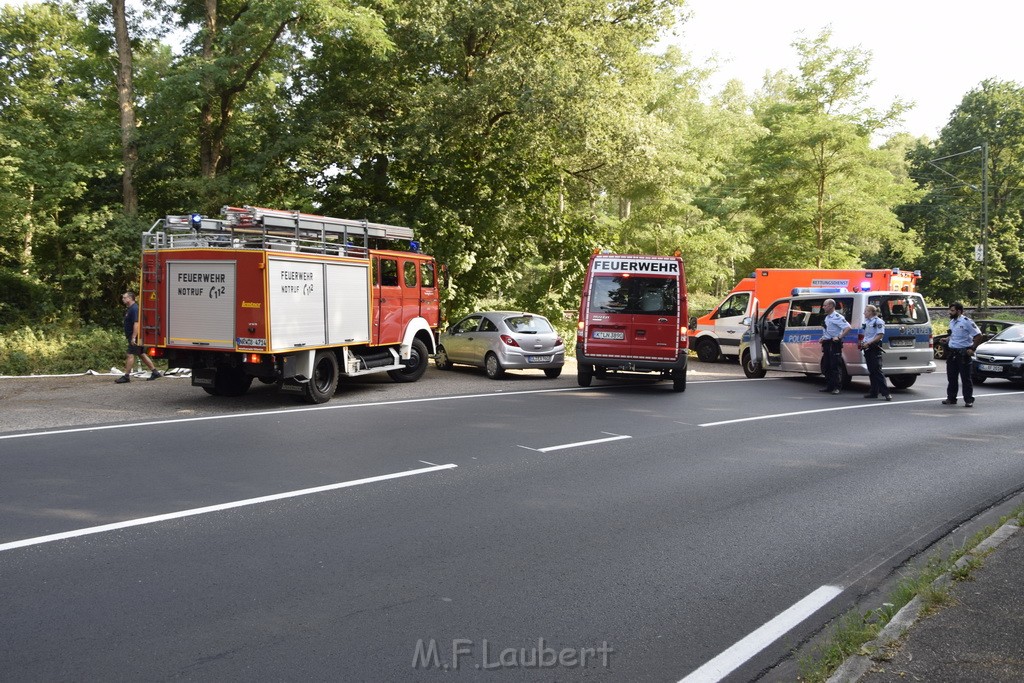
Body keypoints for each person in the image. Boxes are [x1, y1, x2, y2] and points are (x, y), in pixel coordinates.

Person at [942, 302, 982, 407]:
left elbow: (978, 335)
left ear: (959, 311)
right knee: (951, 377)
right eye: (950, 310)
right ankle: (951, 398)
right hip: (952, 353)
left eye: (952, 310)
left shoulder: (966, 322)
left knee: (966, 378)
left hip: (963, 354)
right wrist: (947, 339)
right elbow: (953, 335)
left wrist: (972, 348)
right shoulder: (952, 322)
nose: (949, 312)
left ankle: (968, 400)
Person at [116, 291, 161, 384]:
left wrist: (133, 337)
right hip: (133, 336)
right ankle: (155, 372)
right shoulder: (130, 308)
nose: (123, 299)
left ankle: (126, 376)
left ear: (130, 298)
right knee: (141, 354)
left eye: (124, 297)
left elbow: (136, 323)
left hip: (135, 336)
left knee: (130, 354)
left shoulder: (134, 309)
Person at [858, 304, 892, 401]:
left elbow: (880, 335)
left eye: (866, 311)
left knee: (877, 371)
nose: (864, 313)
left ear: (870, 312)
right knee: (872, 371)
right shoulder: (867, 321)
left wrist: (869, 343)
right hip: (867, 347)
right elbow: (866, 334)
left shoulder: (878, 321)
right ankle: (874, 392)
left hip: (874, 347)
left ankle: (886, 393)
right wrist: (863, 343)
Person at [819, 298, 852, 394]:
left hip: (834, 344)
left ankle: (836, 387)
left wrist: (839, 337)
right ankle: (829, 386)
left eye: (825, 305)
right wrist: (823, 338)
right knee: (827, 366)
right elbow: (828, 330)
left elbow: (848, 327)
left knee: (835, 366)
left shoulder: (837, 317)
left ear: (831, 306)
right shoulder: (827, 317)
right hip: (827, 343)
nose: (823, 307)